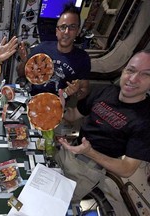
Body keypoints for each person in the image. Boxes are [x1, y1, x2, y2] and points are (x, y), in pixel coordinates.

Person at [56, 49, 150, 214]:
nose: (133, 79)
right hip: (69, 150)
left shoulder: (146, 119)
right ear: (124, 70)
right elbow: (72, 116)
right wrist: (60, 108)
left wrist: (89, 152)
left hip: (90, 168)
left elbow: (127, 169)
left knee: (54, 203)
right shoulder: (105, 91)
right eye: (131, 70)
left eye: (145, 75)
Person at [17, 3, 90, 99]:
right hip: (32, 99)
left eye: (72, 27)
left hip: (57, 105)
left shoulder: (82, 58)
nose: (66, 32)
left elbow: (83, 92)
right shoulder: (42, 48)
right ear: (57, 31)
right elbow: (20, 73)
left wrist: (76, 90)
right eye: (63, 27)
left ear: (78, 31)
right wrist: (25, 60)